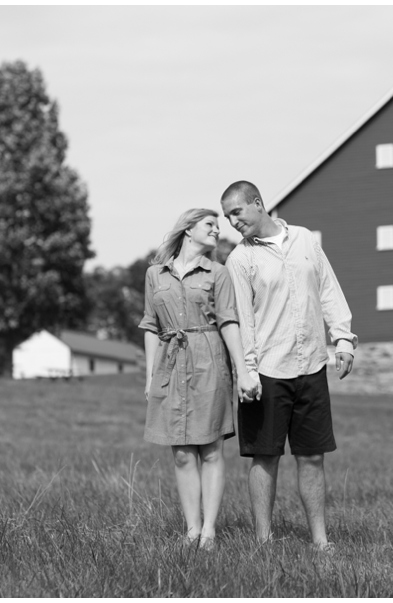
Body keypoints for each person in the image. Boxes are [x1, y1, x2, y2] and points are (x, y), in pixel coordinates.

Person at [220, 181, 357, 551]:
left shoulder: (306, 240)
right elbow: (243, 319)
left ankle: (320, 541)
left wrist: (342, 338)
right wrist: (246, 373)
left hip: (311, 364)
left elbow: (328, 288)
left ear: (258, 204)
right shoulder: (239, 260)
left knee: (312, 456)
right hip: (266, 371)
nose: (233, 222)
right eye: (227, 216)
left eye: (237, 212)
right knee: (264, 457)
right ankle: (263, 542)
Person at [139, 208, 258, 550]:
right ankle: (191, 529)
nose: (217, 230)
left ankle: (209, 530)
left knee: (210, 448)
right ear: (188, 229)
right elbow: (150, 325)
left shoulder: (218, 273)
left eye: (218, 226)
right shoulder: (154, 275)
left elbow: (228, 322)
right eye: (210, 224)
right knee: (181, 452)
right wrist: (150, 376)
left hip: (209, 360)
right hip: (170, 363)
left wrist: (242, 372)